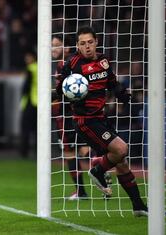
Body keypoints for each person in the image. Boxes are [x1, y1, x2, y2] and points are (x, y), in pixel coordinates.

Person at [56, 26, 148, 216]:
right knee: (121, 149)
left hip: (101, 119)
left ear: (96, 42)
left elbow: (112, 83)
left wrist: (122, 94)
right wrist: (69, 95)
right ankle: (98, 170)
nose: (87, 46)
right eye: (82, 43)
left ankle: (139, 206)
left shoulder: (104, 61)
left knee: (121, 162)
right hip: (85, 121)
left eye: (90, 42)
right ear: (77, 46)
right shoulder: (72, 63)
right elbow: (60, 90)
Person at [52, 35, 88, 200]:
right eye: (52, 46)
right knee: (77, 150)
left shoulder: (66, 65)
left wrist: (51, 96)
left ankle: (82, 190)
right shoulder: (61, 65)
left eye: (57, 45)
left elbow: (67, 93)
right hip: (65, 114)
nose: (53, 49)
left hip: (68, 115)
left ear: (66, 48)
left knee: (71, 151)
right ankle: (82, 190)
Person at [19, 50, 37, 158]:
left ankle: (24, 152)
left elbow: (26, 87)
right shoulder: (40, 68)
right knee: (37, 129)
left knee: (26, 128)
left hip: (31, 101)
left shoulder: (30, 69)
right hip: (40, 103)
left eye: (28, 57)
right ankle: (37, 151)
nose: (26, 59)